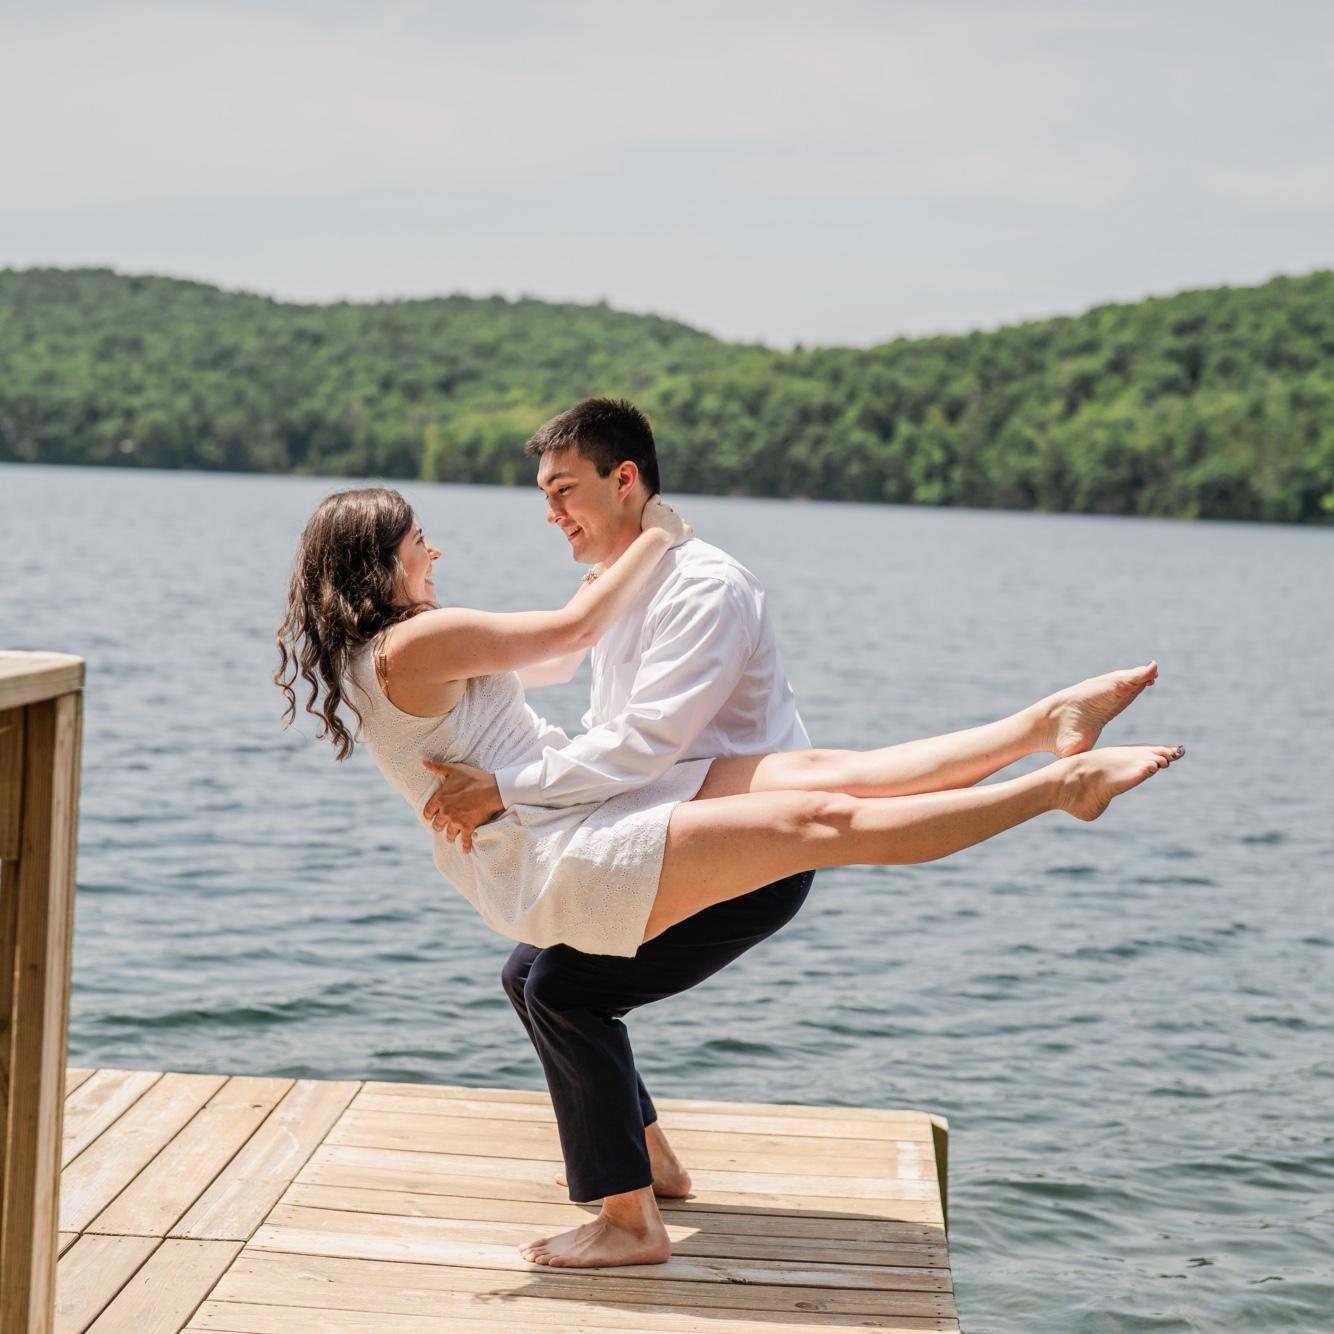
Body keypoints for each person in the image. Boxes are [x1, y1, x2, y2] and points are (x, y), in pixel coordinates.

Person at [274, 407, 1182, 1271]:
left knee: (816, 773)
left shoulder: (394, 648)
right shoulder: (419, 641)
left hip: (554, 821)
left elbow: (554, 659)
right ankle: (1056, 787)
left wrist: (626, 558)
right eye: (414, 542)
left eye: (563, 493)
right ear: (378, 564)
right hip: (554, 848)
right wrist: (659, 534)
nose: (434, 550)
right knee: (818, 821)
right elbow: (575, 636)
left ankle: (1041, 723)